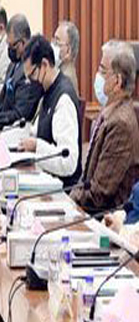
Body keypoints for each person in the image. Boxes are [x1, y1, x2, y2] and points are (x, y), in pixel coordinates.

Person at [69, 41, 139, 215]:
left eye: (102, 70)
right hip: (87, 210)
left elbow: (99, 194)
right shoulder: (109, 111)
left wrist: (68, 200)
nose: (97, 76)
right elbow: (87, 180)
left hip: (105, 221)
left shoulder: (120, 124)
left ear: (117, 81)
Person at [17, 36, 83, 187]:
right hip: (43, 179)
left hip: (60, 189)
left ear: (44, 65)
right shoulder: (47, 91)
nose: (30, 82)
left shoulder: (63, 99)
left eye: (32, 75)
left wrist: (37, 146)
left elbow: (68, 161)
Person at [0, 14, 44, 129]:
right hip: (0, 127)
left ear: (23, 42)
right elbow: (3, 98)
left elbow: (21, 113)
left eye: (12, 45)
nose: (9, 49)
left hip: (15, 130)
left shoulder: (30, 71)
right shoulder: (13, 64)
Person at [52, 20, 81, 95]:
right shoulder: (60, 72)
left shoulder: (67, 78)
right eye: (53, 40)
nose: (53, 44)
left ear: (68, 50)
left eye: (57, 41)